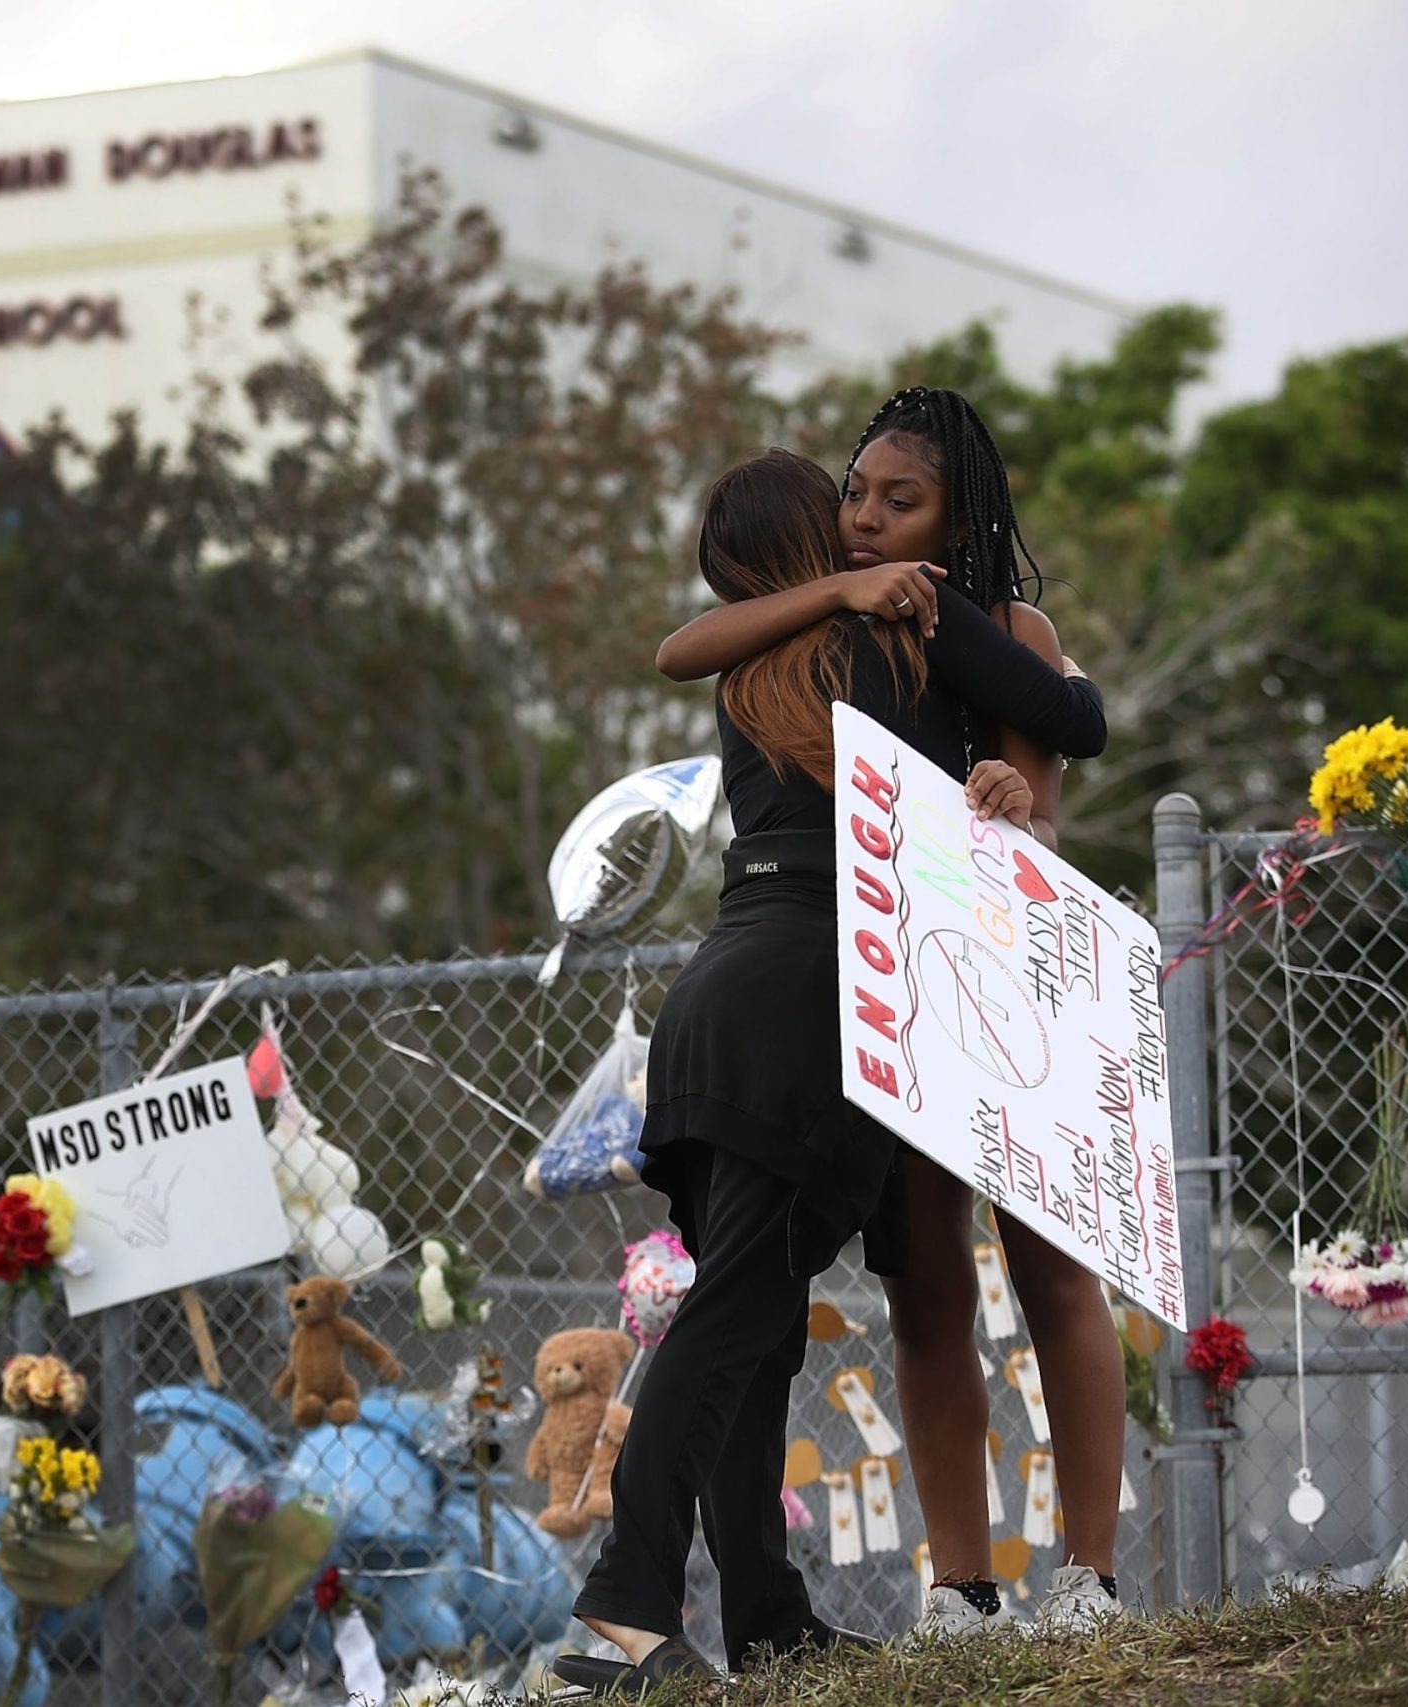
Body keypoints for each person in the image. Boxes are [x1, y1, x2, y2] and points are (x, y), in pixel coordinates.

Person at [555, 446, 1105, 1695]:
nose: (866, 529)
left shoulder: (754, 666)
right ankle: (623, 1606)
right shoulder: (891, 647)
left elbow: (685, 646)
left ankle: (763, 1615)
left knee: (756, 1326)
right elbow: (1070, 720)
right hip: (812, 998)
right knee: (741, 1311)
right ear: (820, 546)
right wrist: (1008, 750)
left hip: (714, 1004)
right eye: (845, 512)